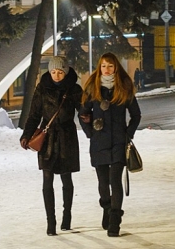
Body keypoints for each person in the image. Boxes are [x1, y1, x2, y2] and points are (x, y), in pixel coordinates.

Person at [79, 52, 141, 237]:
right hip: (99, 143)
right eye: (104, 66)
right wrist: (91, 132)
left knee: (115, 180)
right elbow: (82, 115)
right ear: (100, 67)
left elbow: (136, 115)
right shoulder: (92, 87)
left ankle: (115, 220)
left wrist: (127, 134)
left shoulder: (124, 87)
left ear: (116, 68)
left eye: (110, 66)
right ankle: (106, 207)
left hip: (118, 143)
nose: (107, 69)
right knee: (103, 183)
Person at [21, 56, 83, 236]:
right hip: (47, 138)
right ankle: (51, 222)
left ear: (66, 72)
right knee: (47, 180)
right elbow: (34, 115)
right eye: (54, 72)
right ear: (49, 71)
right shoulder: (42, 89)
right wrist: (26, 135)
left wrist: (91, 124)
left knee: (66, 178)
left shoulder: (74, 89)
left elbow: (85, 111)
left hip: (67, 138)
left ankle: (67, 217)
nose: (56, 75)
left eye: (60, 72)